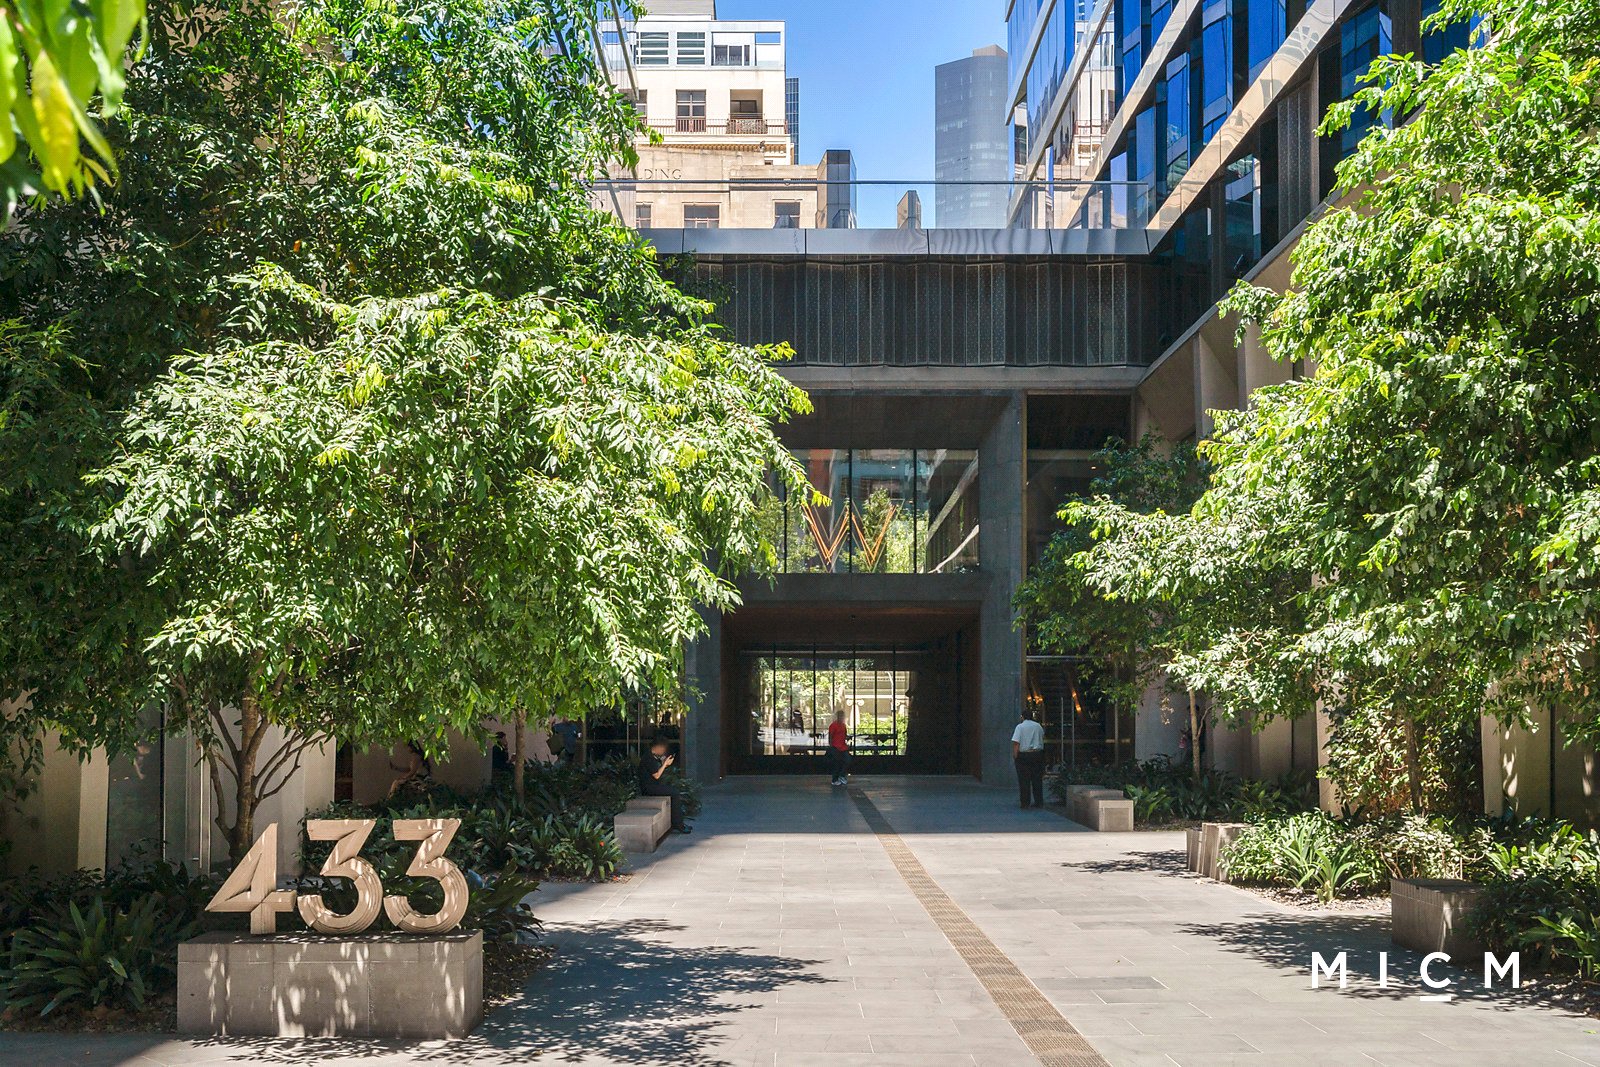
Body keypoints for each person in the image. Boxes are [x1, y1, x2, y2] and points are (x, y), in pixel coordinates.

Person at [639, 737, 691, 834]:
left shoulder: (652, 756)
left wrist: (665, 764)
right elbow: (657, 775)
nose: (664, 751)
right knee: (674, 793)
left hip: (653, 786)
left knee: (673, 791)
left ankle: (678, 822)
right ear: (658, 747)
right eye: (663, 749)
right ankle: (678, 824)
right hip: (649, 788)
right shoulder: (648, 758)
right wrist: (665, 764)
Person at [1012, 708, 1046, 809]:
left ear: (1022, 717)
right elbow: (1042, 737)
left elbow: (1016, 742)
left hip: (1024, 755)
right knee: (1037, 779)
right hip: (1037, 754)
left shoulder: (1020, 727)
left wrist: (1015, 755)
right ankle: (1039, 801)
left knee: (1024, 780)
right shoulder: (1038, 726)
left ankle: (1025, 802)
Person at [826, 710, 850, 787]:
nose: (842, 718)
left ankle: (841, 775)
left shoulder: (843, 725)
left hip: (843, 747)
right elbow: (830, 736)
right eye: (840, 716)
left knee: (847, 761)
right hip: (835, 747)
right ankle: (835, 779)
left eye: (842, 716)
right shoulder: (833, 725)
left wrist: (847, 738)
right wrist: (831, 746)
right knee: (837, 763)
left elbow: (844, 735)